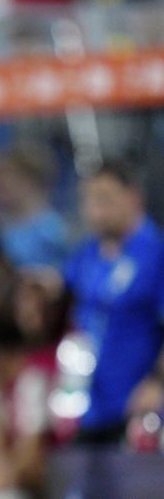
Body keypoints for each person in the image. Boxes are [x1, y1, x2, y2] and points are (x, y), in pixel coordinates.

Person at [58, 160, 164, 443]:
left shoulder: (155, 254)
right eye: (88, 200)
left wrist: (158, 383)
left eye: (104, 198)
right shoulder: (86, 255)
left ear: (134, 196)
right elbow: (61, 307)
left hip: (138, 408)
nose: (95, 210)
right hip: (87, 405)